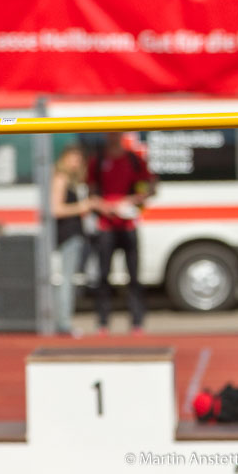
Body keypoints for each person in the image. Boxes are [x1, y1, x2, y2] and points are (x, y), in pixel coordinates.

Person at [86, 132, 155, 335]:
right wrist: (104, 206)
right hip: (106, 226)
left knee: (133, 276)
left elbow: (150, 186)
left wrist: (134, 200)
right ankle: (103, 322)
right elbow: (91, 192)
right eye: (110, 134)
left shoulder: (134, 159)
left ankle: (136, 321)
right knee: (103, 276)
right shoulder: (97, 161)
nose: (113, 137)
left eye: (116, 134)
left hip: (128, 225)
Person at [50, 145, 93, 336]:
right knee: (66, 280)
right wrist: (82, 207)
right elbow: (56, 209)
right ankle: (64, 323)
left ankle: (63, 321)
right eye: (73, 158)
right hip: (67, 235)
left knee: (68, 279)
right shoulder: (61, 178)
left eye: (79, 159)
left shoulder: (72, 180)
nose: (77, 162)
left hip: (73, 234)